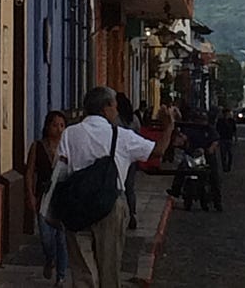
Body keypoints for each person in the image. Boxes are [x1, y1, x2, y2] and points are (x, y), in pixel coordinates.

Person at [56, 86, 174, 288]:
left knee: (82, 268)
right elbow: (158, 151)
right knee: (109, 265)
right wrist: (169, 126)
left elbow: (60, 170)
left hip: (76, 203)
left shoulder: (70, 133)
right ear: (105, 108)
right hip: (110, 204)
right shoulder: (121, 136)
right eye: (114, 106)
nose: (117, 111)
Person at [25, 110, 68, 286]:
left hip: (63, 197)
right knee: (46, 237)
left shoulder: (67, 148)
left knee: (62, 238)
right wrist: (30, 194)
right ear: (47, 126)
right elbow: (29, 173)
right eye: (55, 125)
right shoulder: (37, 146)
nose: (58, 129)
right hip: (44, 196)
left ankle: (61, 276)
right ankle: (49, 258)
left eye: (62, 125)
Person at [167, 111, 223, 211]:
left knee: (214, 177)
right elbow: (183, 138)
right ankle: (175, 190)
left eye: (202, 120)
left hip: (206, 156)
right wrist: (179, 141)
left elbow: (215, 141)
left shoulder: (209, 129)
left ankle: (217, 202)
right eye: (198, 120)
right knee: (181, 170)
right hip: (191, 154)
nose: (200, 122)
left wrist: (210, 149)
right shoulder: (190, 128)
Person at [116, 92, 140, 230]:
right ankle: (132, 214)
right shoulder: (134, 119)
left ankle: (118, 216)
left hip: (118, 158)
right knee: (130, 188)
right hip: (131, 157)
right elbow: (138, 135)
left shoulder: (115, 120)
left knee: (117, 187)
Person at [215, 108, 238, 172]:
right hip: (222, 139)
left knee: (230, 154)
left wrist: (235, 138)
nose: (227, 115)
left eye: (228, 113)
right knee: (223, 154)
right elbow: (217, 130)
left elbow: (234, 130)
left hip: (229, 139)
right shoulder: (220, 121)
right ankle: (224, 167)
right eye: (226, 113)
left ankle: (229, 166)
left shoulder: (232, 121)